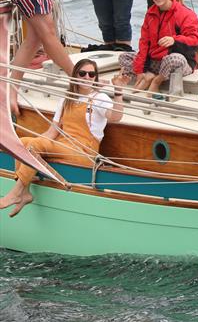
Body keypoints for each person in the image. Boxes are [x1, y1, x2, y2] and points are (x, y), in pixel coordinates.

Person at [0, 59, 127, 217]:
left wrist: (119, 91)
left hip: (83, 152)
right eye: (82, 73)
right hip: (63, 146)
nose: (87, 77)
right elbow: (51, 133)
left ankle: (16, 192)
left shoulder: (99, 98)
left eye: (91, 74)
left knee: (33, 145)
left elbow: (116, 116)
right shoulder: (66, 99)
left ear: (95, 77)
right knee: (23, 143)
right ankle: (25, 193)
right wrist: (26, 144)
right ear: (75, 76)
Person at [118, 0, 198, 96]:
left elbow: (195, 41)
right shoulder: (151, 13)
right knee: (123, 57)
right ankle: (148, 76)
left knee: (174, 59)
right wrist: (140, 71)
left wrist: (175, 40)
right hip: (155, 62)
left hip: (177, 61)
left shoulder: (185, 14)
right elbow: (144, 43)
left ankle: (156, 80)